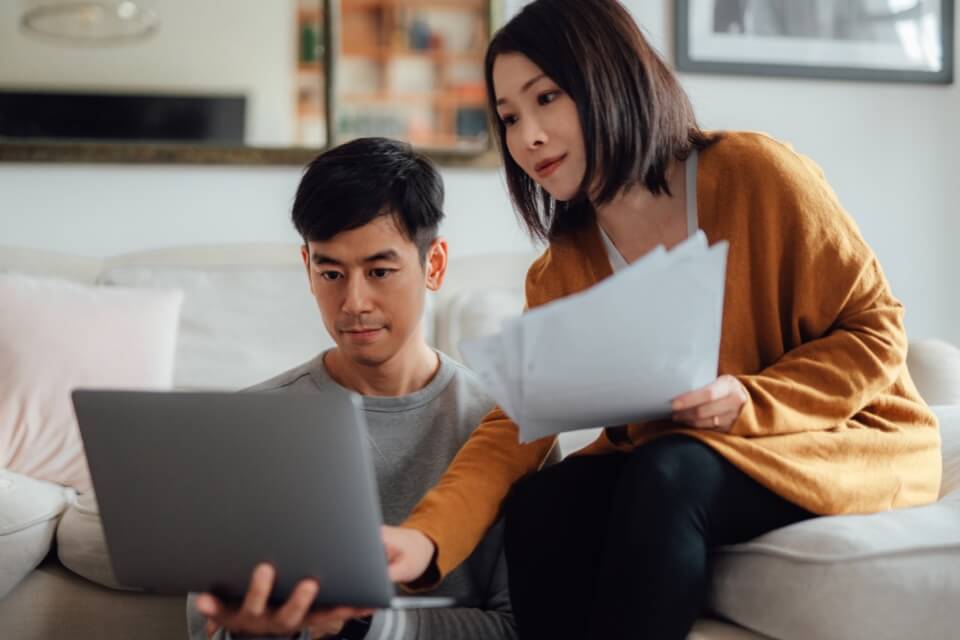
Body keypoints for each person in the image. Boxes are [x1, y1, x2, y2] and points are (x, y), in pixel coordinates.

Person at [380, 1, 943, 639]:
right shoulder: (561, 270)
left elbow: (876, 331)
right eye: (509, 117)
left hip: (837, 437)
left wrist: (749, 398)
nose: (527, 135)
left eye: (547, 98)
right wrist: (427, 538)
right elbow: (519, 423)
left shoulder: (760, 176)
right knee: (544, 503)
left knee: (670, 472)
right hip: (690, 457)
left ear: (609, 77)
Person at [186, 137, 518, 640]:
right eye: (331, 272)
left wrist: (362, 625)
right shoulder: (253, 420)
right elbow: (204, 625)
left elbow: (523, 625)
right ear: (307, 268)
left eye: (380, 271)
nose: (353, 301)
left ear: (434, 265)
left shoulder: (505, 424)